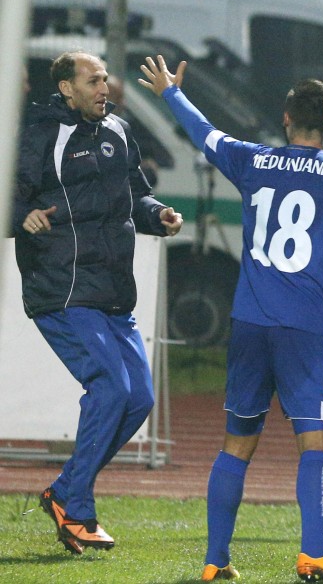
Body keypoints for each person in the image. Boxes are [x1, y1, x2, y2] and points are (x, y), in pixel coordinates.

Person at [140, 55, 323, 583]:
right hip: (304, 328)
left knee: (236, 441)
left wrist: (170, 93)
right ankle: (313, 554)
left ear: (285, 117)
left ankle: (215, 559)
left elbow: (204, 134)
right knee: (317, 441)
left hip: (250, 322)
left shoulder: (252, 160)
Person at [14, 51, 184, 554]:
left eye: (106, 78)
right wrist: (21, 216)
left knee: (138, 400)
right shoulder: (42, 132)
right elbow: (10, 195)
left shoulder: (118, 131)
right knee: (110, 389)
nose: (104, 87)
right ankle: (77, 509)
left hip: (112, 290)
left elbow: (136, 195)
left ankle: (64, 491)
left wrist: (160, 215)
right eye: (93, 80)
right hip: (63, 288)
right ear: (67, 89)